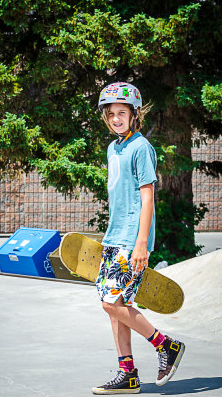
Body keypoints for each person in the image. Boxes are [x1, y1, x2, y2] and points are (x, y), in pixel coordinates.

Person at [92, 82, 185, 395]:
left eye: (122, 112)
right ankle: (127, 372)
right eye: (111, 114)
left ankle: (165, 345)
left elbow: (147, 199)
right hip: (114, 238)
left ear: (134, 114)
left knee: (109, 303)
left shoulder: (140, 147)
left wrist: (141, 244)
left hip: (132, 240)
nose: (116, 118)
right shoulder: (113, 147)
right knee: (116, 304)